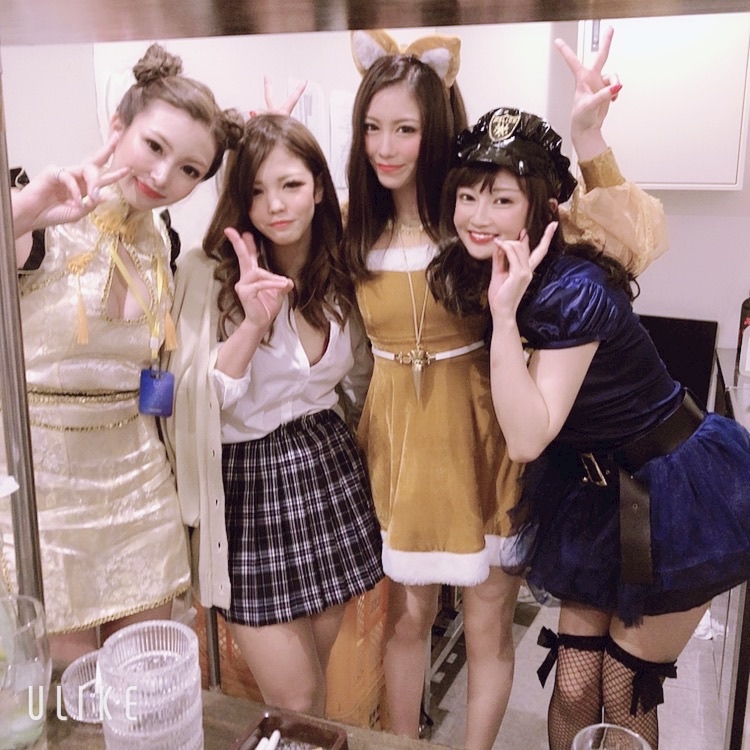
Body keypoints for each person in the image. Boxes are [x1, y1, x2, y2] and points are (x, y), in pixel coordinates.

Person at [343, 27, 668, 750]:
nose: (386, 147)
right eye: (371, 127)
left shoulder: (477, 213)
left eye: (406, 128)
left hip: (489, 433)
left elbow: (620, 237)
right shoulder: (353, 226)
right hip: (400, 443)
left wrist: (591, 141)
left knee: (487, 624)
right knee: (405, 620)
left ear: (437, 128)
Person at [431, 102, 750, 750]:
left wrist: (503, 318)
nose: (478, 215)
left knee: (623, 686)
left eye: (501, 199)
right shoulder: (502, 270)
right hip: (593, 491)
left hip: (673, 489)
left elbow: (528, 436)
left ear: (542, 207)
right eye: (467, 196)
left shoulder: (569, 288)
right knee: (575, 685)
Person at [0, 42, 243, 667]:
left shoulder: (162, 237)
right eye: (153, 146)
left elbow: (155, 365)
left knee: (146, 670)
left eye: (188, 170)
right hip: (47, 486)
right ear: (118, 127)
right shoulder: (39, 210)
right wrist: (28, 208)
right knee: (69, 683)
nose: (163, 177)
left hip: (138, 477)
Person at [162, 113, 383, 716]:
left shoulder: (342, 273)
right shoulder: (208, 274)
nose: (275, 205)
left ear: (319, 187)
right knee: (293, 694)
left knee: (317, 686)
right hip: (247, 486)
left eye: (290, 185)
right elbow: (197, 405)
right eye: (256, 191)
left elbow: (358, 379)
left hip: (327, 472)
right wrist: (252, 324)